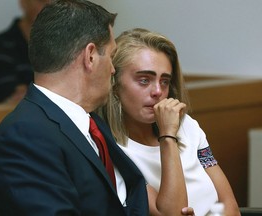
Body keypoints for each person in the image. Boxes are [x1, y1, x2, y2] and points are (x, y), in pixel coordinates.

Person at [0, 1, 150, 215]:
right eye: (112, 56)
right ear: (90, 56)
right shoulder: (25, 136)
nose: (113, 69)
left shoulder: (91, 122)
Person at [101, 28, 241, 216]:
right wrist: (168, 136)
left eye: (165, 81)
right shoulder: (110, 149)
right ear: (115, 84)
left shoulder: (187, 126)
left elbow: (228, 203)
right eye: (144, 80)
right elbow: (171, 213)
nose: (158, 91)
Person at [0, 0, 50, 105]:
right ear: (23, 3)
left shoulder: (70, 48)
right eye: (42, 1)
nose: (52, 6)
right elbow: (11, 105)